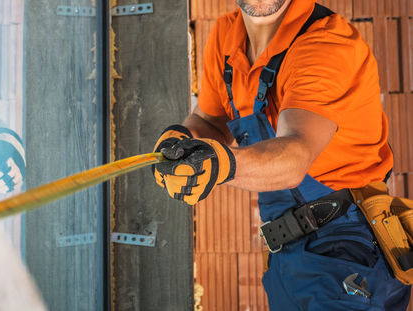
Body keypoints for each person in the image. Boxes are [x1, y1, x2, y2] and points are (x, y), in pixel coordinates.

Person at [152, 0, 412, 310]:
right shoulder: (225, 36)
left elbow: (295, 155)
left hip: (347, 248)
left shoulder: (326, 44)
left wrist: (219, 165)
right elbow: (210, 120)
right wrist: (179, 141)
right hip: (287, 255)